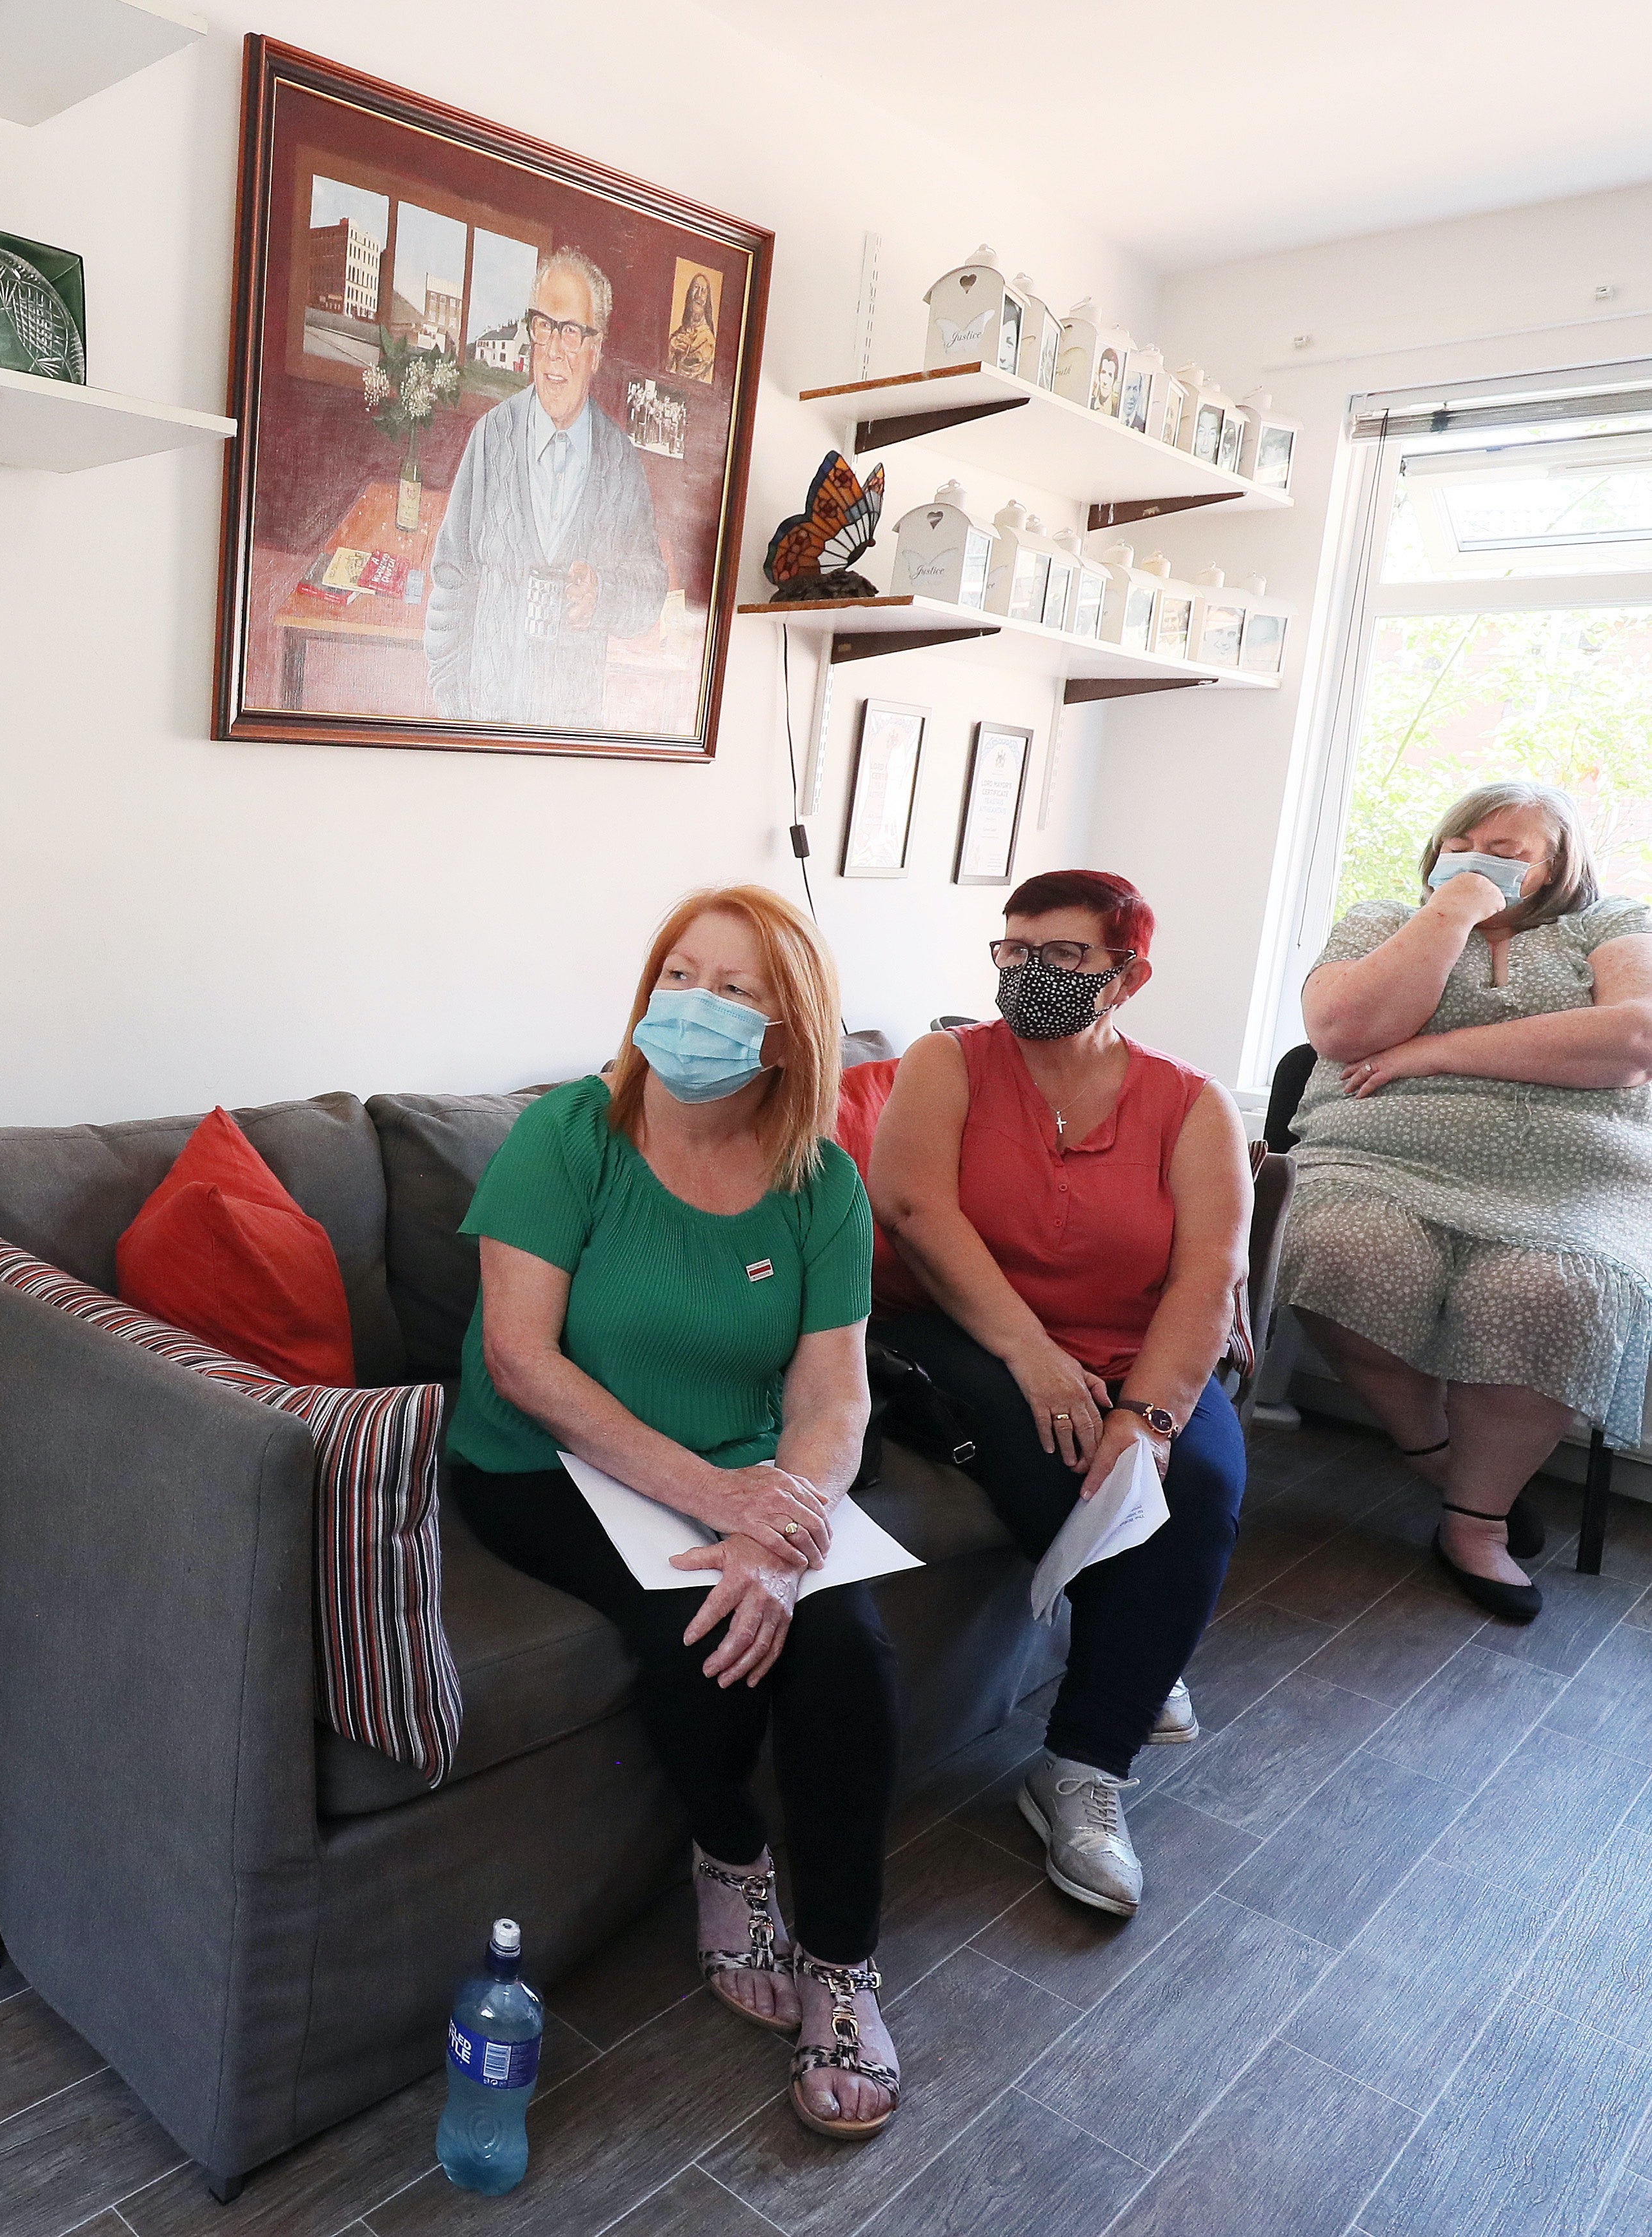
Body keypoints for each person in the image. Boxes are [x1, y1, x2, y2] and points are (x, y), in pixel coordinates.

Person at [450, 884, 899, 2141]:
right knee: (699, 1639)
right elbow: (523, 1365)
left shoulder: (821, 1183)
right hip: (543, 1465)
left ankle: (845, 1971)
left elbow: (833, 1393)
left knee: (845, 1651)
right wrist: (719, 1505)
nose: (696, 1007)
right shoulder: (570, 1135)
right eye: (680, 976)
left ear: (790, 1028)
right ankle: (728, 1853)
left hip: (743, 1471)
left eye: (737, 989)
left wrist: (786, 1515)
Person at [868, 870, 1250, 1919]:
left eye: (1063, 956)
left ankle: (1081, 1770)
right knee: (1059, 1455)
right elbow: (908, 1205)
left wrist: (1153, 1412)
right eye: (1013, 949)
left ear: (1126, 974)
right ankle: (1137, 1659)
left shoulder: (1188, 1101)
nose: (1029, 971)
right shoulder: (947, 1063)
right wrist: (1032, 1356)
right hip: (967, 1331)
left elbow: (1206, 1270)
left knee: (1203, 1484)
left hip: (1137, 1342)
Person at [1280, 781, 1652, 1620]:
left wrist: (1436, 1050)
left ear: (1562, 866)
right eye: (1466, 842)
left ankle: (1474, 1525)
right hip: (1378, 1156)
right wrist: (1457, 907)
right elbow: (1342, 1033)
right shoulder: (1383, 920)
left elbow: (1634, 1040)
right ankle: (1442, 1461)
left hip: (1570, 1178)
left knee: (1551, 1291)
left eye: (1512, 850)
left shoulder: (1608, 925)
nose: (1484, 855)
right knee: (1336, 1246)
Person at [422, 248, 668, 730]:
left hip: (567, 737)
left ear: (596, 352)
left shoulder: (620, 463)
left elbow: (650, 589)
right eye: (544, 326)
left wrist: (604, 597)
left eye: (572, 331)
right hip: (484, 721)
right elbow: (452, 577)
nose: (554, 349)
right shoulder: (492, 438)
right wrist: (453, 709)